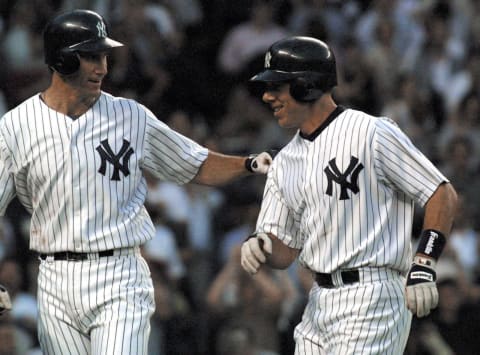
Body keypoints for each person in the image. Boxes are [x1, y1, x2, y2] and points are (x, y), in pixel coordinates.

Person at [0, 9, 274, 355]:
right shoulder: (16, 127)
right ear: (62, 59)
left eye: (104, 55)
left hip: (120, 273)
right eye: (91, 56)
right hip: (55, 280)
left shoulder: (130, 116)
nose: (103, 67)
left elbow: (194, 164)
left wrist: (249, 163)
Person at [240, 36, 458, 354]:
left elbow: (442, 194)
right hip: (318, 302)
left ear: (306, 85)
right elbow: (285, 251)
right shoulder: (283, 162)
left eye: (277, 86)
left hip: (374, 294)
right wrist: (260, 244)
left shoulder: (370, 132)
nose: (267, 96)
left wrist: (423, 262)